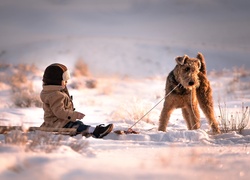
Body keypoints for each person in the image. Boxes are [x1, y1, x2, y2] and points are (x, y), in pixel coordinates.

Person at [40, 63, 113, 138]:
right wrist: (75, 115)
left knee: (77, 124)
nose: (66, 82)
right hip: (58, 123)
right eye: (64, 80)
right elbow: (59, 112)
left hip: (56, 122)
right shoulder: (56, 95)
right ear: (56, 81)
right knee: (78, 125)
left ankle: (91, 130)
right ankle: (96, 131)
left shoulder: (54, 92)